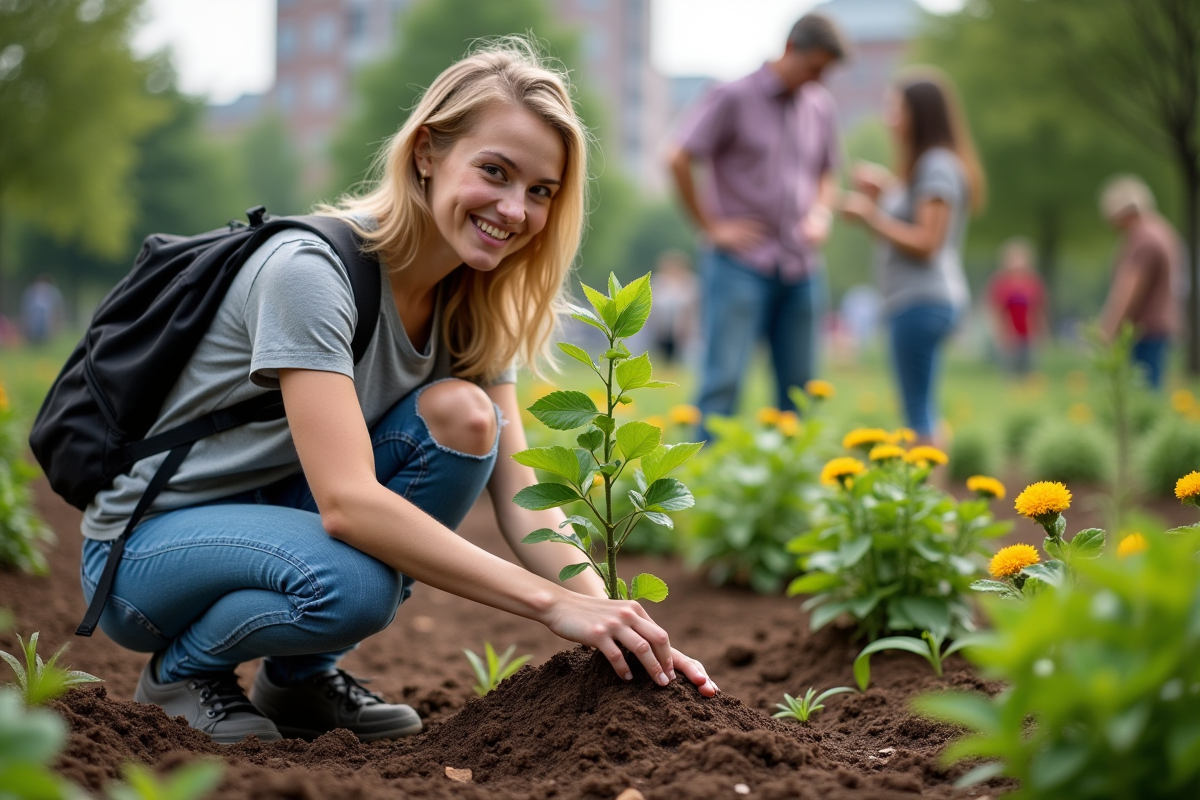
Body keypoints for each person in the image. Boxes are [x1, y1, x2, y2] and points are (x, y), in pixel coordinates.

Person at [78, 41, 716, 747]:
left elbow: (521, 497)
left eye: (541, 191)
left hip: (277, 521)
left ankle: (299, 681)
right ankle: (183, 673)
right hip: (147, 552)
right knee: (353, 584)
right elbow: (348, 505)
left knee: (467, 419)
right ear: (426, 154)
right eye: (495, 172)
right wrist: (551, 605)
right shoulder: (309, 272)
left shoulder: (476, 302)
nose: (514, 209)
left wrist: (613, 621)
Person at [665, 13, 846, 423]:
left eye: (825, 72)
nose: (818, 79)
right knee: (723, 382)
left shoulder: (820, 106)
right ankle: (707, 483)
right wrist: (712, 227)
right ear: (789, 50)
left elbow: (827, 172)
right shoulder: (733, 96)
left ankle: (788, 481)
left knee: (801, 390)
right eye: (814, 68)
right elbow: (677, 157)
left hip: (801, 265)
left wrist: (821, 212)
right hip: (738, 264)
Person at [840, 67, 986, 445]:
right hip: (922, 300)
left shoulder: (936, 165)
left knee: (916, 412)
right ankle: (934, 496)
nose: (890, 119)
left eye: (896, 109)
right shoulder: (930, 166)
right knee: (924, 408)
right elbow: (916, 216)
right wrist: (887, 188)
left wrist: (871, 216)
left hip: (921, 301)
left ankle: (924, 499)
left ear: (920, 114)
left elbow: (927, 241)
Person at [1098, 175, 1183, 390]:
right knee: (1154, 384)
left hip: (1145, 328)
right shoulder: (1163, 229)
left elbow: (1128, 289)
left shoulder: (1143, 239)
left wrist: (1108, 329)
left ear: (1124, 212)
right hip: (1160, 325)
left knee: (1145, 391)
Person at [986, 238, 1047, 376]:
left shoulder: (1033, 282)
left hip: (1029, 334)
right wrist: (998, 334)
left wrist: (1042, 333)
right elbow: (995, 311)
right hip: (1009, 335)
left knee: (1029, 373)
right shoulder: (1001, 283)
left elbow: (1038, 310)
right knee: (1010, 374)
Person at [646, 249, 699, 366]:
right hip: (660, 329)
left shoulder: (691, 283)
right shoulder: (657, 283)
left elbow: (694, 309)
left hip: (685, 330)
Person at [20, 273, 64, 345]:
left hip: (45, 321)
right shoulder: (31, 292)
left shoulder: (52, 292)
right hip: (35, 321)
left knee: (44, 341)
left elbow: (56, 309)